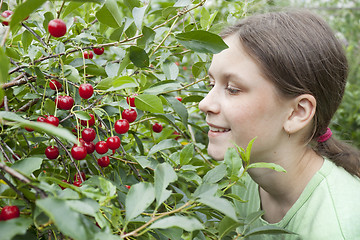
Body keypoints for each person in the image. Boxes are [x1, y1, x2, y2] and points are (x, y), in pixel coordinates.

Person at [198, 9, 360, 239]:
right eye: (211, 83)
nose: (204, 103)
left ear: (297, 113)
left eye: (233, 89)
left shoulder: (335, 228)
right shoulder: (245, 179)